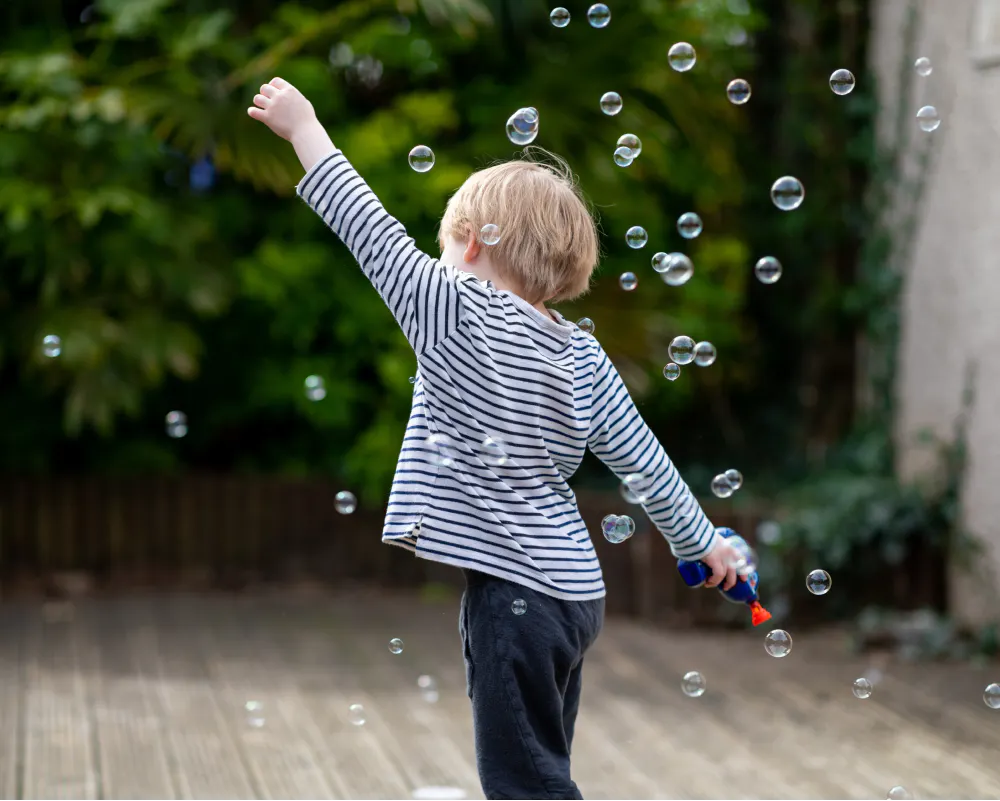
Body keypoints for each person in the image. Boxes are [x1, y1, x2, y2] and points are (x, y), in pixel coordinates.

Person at [248, 77, 744, 800]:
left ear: (472, 242)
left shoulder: (453, 309)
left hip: (515, 594)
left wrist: (304, 128)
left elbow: (368, 227)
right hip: (574, 596)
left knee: (525, 785)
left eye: (443, 245)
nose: (433, 261)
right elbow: (644, 461)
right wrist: (704, 543)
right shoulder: (580, 353)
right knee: (544, 767)